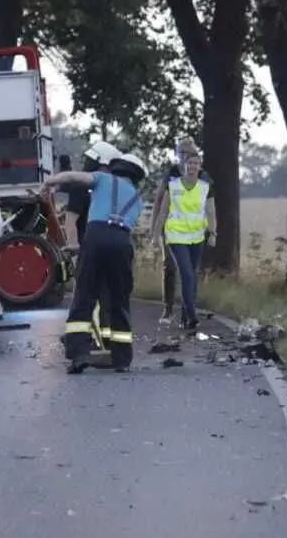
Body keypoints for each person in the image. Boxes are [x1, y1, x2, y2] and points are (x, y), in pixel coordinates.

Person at [40, 151, 147, 373]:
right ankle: (122, 359)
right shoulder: (137, 199)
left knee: (84, 296)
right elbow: (116, 233)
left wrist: (51, 181)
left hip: (94, 236)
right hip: (121, 243)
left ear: (117, 168)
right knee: (119, 299)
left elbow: (74, 178)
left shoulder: (102, 178)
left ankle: (78, 354)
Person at [149, 147, 216, 333]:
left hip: (196, 237)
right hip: (176, 236)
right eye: (188, 162)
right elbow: (161, 208)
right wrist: (155, 233)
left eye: (196, 163)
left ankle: (186, 316)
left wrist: (213, 232)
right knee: (185, 273)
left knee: (192, 275)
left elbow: (211, 210)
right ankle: (189, 314)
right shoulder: (172, 181)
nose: (192, 166)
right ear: (183, 163)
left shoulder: (205, 184)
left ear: (199, 166)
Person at [65, 140, 120, 245]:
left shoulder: (109, 189)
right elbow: (70, 222)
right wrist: (74, 250)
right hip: (86, 249)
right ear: (99, 165)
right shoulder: (80, 187)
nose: (110, 172)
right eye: (109, 168)